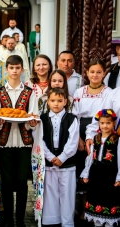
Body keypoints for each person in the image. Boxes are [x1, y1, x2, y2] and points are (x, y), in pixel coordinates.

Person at [0, 55, 39, 227]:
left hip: (24, 144)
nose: (14, 71)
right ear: (6, 70)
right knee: (7, 182)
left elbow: (33, 115)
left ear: (22, 70)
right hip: (4, 144)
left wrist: (32, 123)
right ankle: (9, 219)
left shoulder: (29, 92)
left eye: (17, 68)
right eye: (11, 68)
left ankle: (20, 219)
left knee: (22, 183)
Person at [72, 60, 112, 219]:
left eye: (99, 72)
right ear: (87, 73)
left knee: (95, 169)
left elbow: (106, 115)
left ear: (104, 74)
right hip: (79, 130)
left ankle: (92, 210)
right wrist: (78, 138)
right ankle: (79, 208)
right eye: (92, 72)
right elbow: (74, 117)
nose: (95, 75)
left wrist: (95, 137)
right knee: (79, 168)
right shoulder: (79, 92)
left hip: (100, 130)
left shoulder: (109, 92)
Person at [40, 88, 78, 227]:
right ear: (48, 102)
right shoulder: (42, 119)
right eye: (53, 100)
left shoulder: (71, 118)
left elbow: (73, 140)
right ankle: (52, 221)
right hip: (49, 163)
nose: (56, 104)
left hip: (67, 163)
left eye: (60, 101)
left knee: (67, 194)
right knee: (50, 193)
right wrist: (50, 157)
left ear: (65, 102)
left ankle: (67, 222)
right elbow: (39, 139)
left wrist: (62, 157)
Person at [81, 109, 120, 227]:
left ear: (113, 123)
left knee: (108, 200)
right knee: (96, 200)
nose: (105, 125)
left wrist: (119, 177)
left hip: (109, 174)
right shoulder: (96, 138)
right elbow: (90, 159)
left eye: (108, 123)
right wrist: (86, 173)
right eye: (102, 123)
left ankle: (108, 224)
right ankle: (97, 223)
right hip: (96, 174)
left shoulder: (116, 140)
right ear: (99, 124)